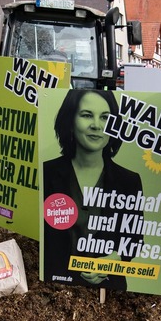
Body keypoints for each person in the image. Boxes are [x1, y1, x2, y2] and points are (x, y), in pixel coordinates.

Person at [43, 89, 143, 290]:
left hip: (110, 292)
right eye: (87, 115)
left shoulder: (129, 180)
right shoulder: (46, 172)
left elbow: (135, 239)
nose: (96, 125)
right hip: (55, 290)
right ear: (70, 121)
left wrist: (115, 259)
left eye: (105, 117)